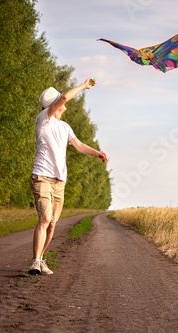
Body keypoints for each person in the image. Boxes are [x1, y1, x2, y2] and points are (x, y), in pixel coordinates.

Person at [28, 79, 107, 275]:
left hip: (59, 181)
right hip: (42, 176)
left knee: (53, 223)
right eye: (61, 101)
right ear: (55, 104)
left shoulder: (65, 127)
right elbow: (64, 97)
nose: (65, 103)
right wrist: (84, 85)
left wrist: (97, 153)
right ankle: (35, 262)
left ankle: (41, 259)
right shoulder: (43, 119)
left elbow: (79, 146)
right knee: (45, 218)